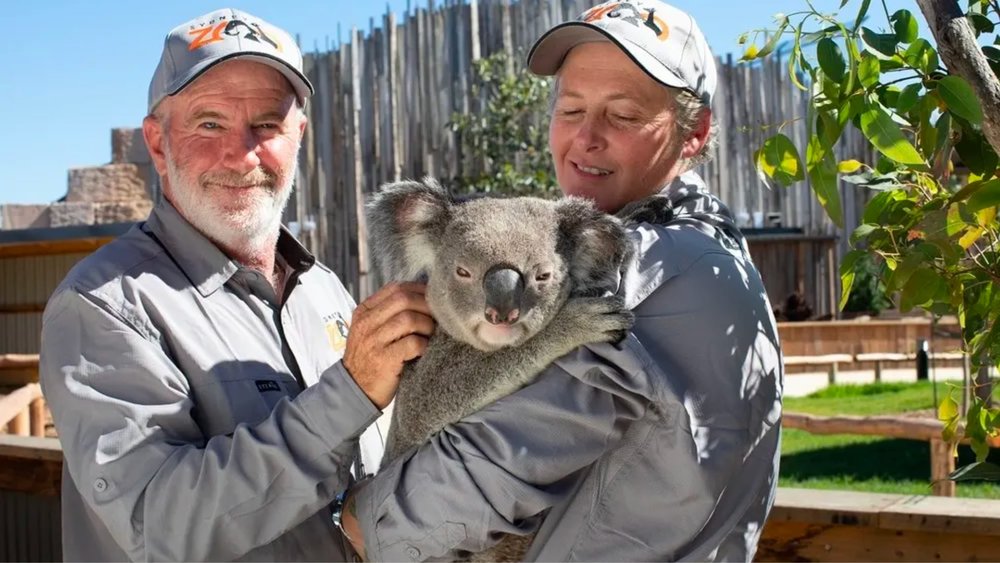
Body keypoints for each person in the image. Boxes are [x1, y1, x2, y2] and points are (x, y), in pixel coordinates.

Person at [341, 1, 783, 561]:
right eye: (570, 109)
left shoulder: (644, 271)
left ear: (693, 132)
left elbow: (485, 471)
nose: (586, 138)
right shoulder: (713, 249)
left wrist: (360, 519)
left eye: (621, 115)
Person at [38, 8, 434, 561]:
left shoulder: (323, 289)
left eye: (267, 125)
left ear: (298, 136)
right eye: (209, 123)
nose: (242, 153)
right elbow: (157, 521)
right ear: (157, 144)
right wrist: (350, 395)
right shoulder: (106, 306)